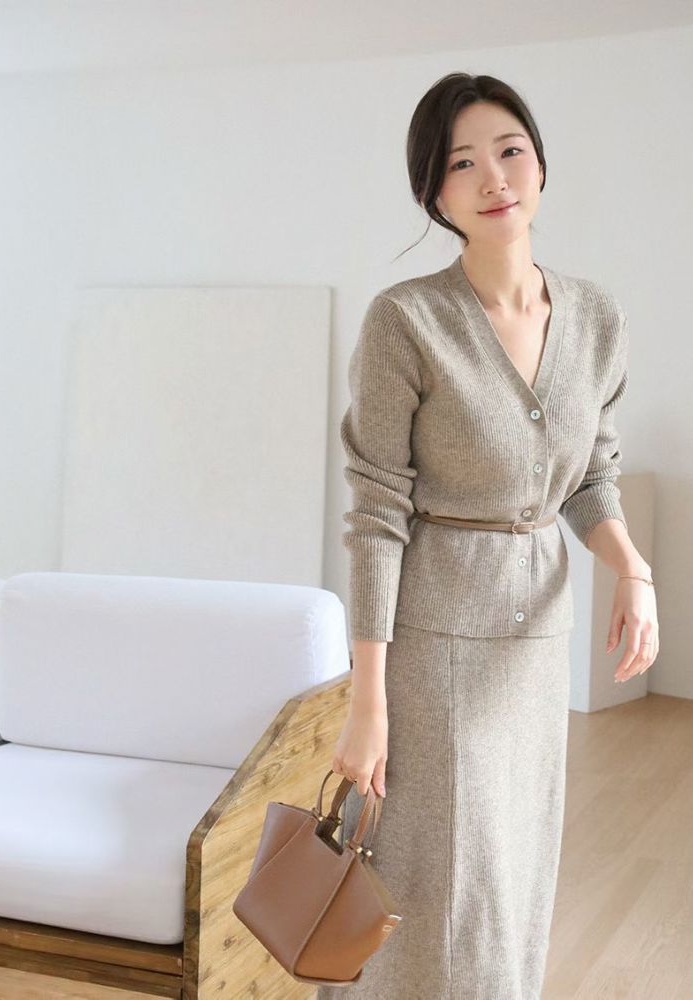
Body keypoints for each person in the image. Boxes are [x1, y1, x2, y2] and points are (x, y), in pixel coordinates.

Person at [318, 72, 659, 1000]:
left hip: (535, 634)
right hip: (433, 636)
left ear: (539, 164)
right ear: (433, 193)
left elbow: (589, 475)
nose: (493, 177)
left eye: (509, 150)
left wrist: (631, 570)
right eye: (461, 163)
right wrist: (368, 700)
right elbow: (376, 514)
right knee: (432, 872)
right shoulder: (406, 321)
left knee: (514, 861)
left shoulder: (596, 320)